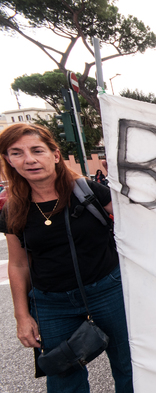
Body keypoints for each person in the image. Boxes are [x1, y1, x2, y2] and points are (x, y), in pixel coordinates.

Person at [0, 124, 133, 393]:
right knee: (63, 379)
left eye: (37, 150)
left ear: (55, 155)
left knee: (128, 367)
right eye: (17, 153)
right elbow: (18, 263)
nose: (29, 159)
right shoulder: (13, 209)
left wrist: (123, 184)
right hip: (51, 304)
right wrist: (22, 316)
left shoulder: (90, 191)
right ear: (8, 161)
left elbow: (139, 221)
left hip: (108, 292)